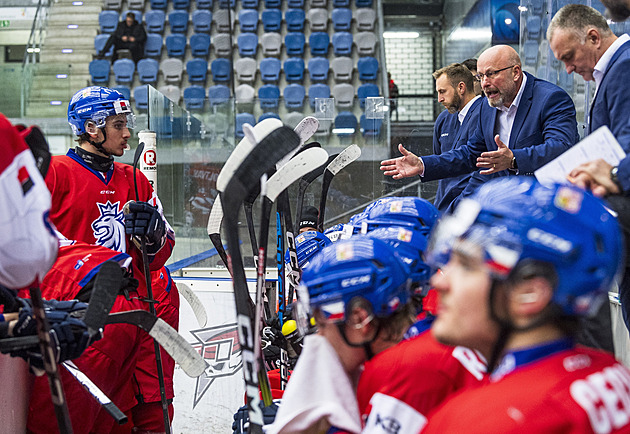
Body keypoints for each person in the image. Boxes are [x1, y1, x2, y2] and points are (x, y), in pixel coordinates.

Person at [421, 177, 630, 433]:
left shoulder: (477, 421)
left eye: (466, 265)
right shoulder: (612, 372)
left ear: (530, 292)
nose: (439, 282)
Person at [43, 86, 176, 432]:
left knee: (144, 414)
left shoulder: (134, 180)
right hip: (81, 323)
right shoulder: (54, 173)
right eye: (118, 125)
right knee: (80, 417)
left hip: (134, 320)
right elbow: (37, 246)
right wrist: (95, 266)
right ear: (92, 128)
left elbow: (161, 251)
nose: (127, 132)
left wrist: (153, 231)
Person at [380, 45, 578, 200]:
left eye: (491, 74)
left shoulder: (551, 99)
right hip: (503, 205)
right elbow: (470, 154)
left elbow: (561, 147)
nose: (484, 83)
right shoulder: (487, 107)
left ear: (516, 72)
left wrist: (514, 159)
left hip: (544, 204)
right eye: (480, 76)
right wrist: (423, 164)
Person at [267, 237, 416, 434]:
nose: (318, 336)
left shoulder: (400, 386)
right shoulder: (396, 367)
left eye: (321, 324)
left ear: (359, 319)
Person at [548, 4, 630, 340]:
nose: (567, 69)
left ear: (593, 37)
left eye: (569, 56)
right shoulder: (612, 71)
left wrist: (608, 172)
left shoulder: (624, 67)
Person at [431, 63, 483, 212]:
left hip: (468, 208)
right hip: (444, 205)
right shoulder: (443, 119)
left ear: (461, 87)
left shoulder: (486, 114)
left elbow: (477, 169)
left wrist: (458, 206)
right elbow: (441, 162)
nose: (439, 99)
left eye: (443, 92)